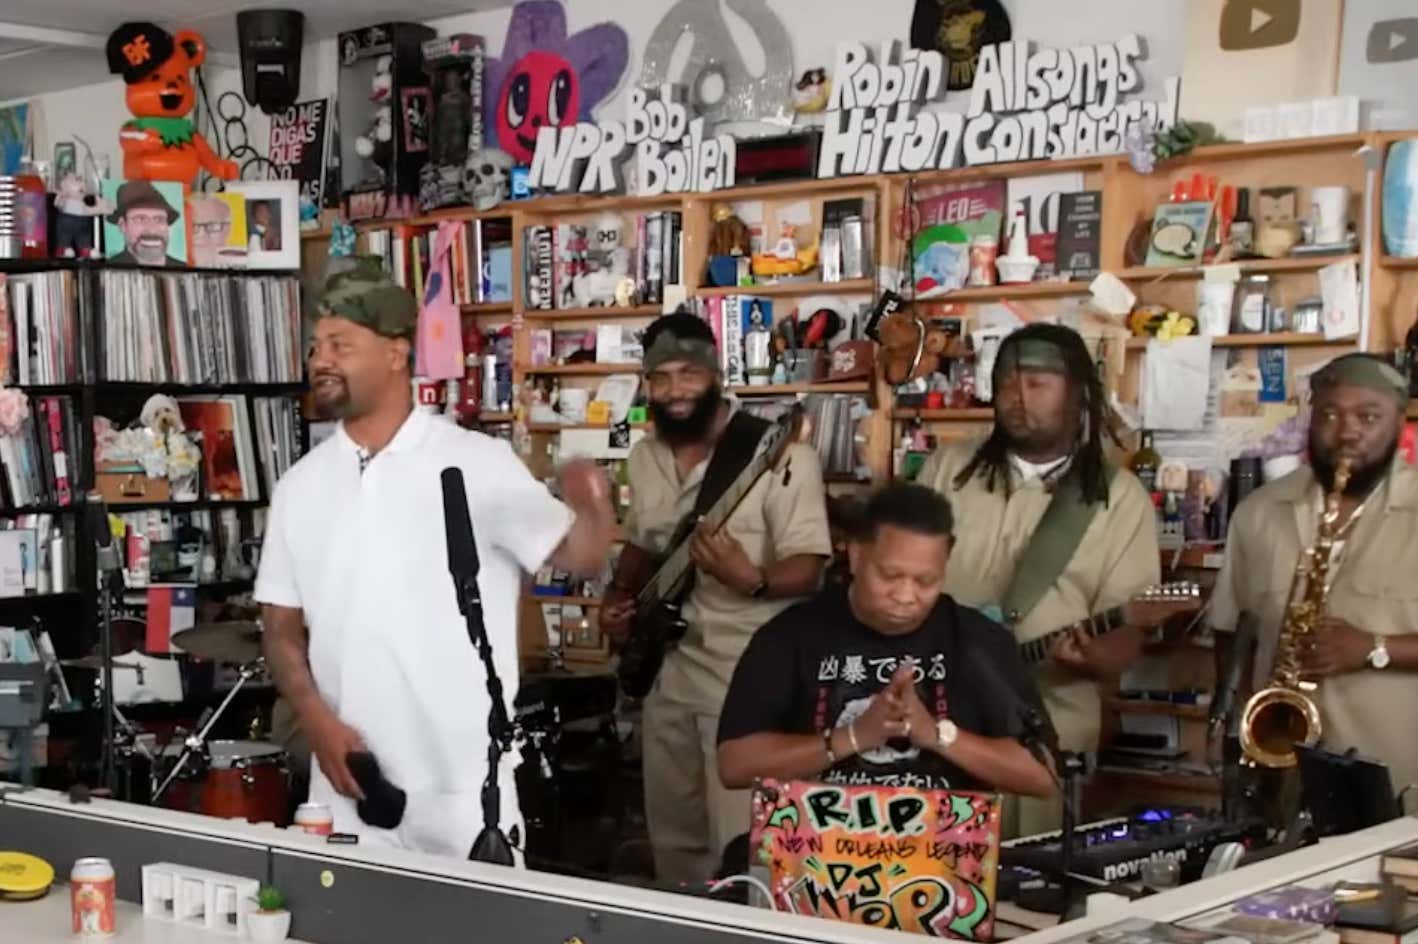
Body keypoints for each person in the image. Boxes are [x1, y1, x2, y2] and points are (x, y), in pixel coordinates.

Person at [258, 257, 619, 858]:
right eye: (317, 345)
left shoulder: (475, 463)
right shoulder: (300, 486)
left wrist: (594, 506)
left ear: (396, 353)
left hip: (464, 796)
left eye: (341, 345)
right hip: (348, 789)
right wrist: (316, 722)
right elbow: (279, 628)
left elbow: (578, 557)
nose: (320, 360)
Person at [1206, 353, 1418, 804]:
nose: (1347, 432)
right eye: (1330, 414)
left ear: (1398, 422)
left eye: (1369, 416)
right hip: (1281, 767)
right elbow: (1231, 633)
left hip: (1398, 774)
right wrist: (1240, 724)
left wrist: (1374, 648)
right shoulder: (1257, 513)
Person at [912, 323, 1161, 835]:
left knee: (1025, 889)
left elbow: (1127, 636)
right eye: (1006, 384)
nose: (1017, 400)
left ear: (1079, 395)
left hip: (1042, 731)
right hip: (932, 715)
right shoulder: (948, 468)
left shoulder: (1119, 498)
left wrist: (1093, 658)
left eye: (1038, 385)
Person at [614, 312, 830, 887]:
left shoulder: (780, 456)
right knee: (675, 842)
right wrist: (619, 597)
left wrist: (750, 577)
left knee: (742, 846)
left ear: (715, 375)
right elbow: (641, 543)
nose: (675, 391)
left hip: (744, 679)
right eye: (661, 378)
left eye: (688, 374)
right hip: (667, 674)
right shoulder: (644, 456)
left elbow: (809, 570)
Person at [716, 482, 1056, 800]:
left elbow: (1044, 776)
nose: (906, 595)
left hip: (942, 852)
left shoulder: (977, 641)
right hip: (818, 847)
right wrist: (853, 737)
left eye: (926, 581)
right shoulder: (791, 635)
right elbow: (734, 764)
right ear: (856, 555)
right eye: (890, 576)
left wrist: (937, 735)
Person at [108, 181, 178, 266]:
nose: (152, 230)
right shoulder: (108, 268)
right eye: (140, 219)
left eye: (159, 219)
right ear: (122, 225)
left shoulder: (184, 268)